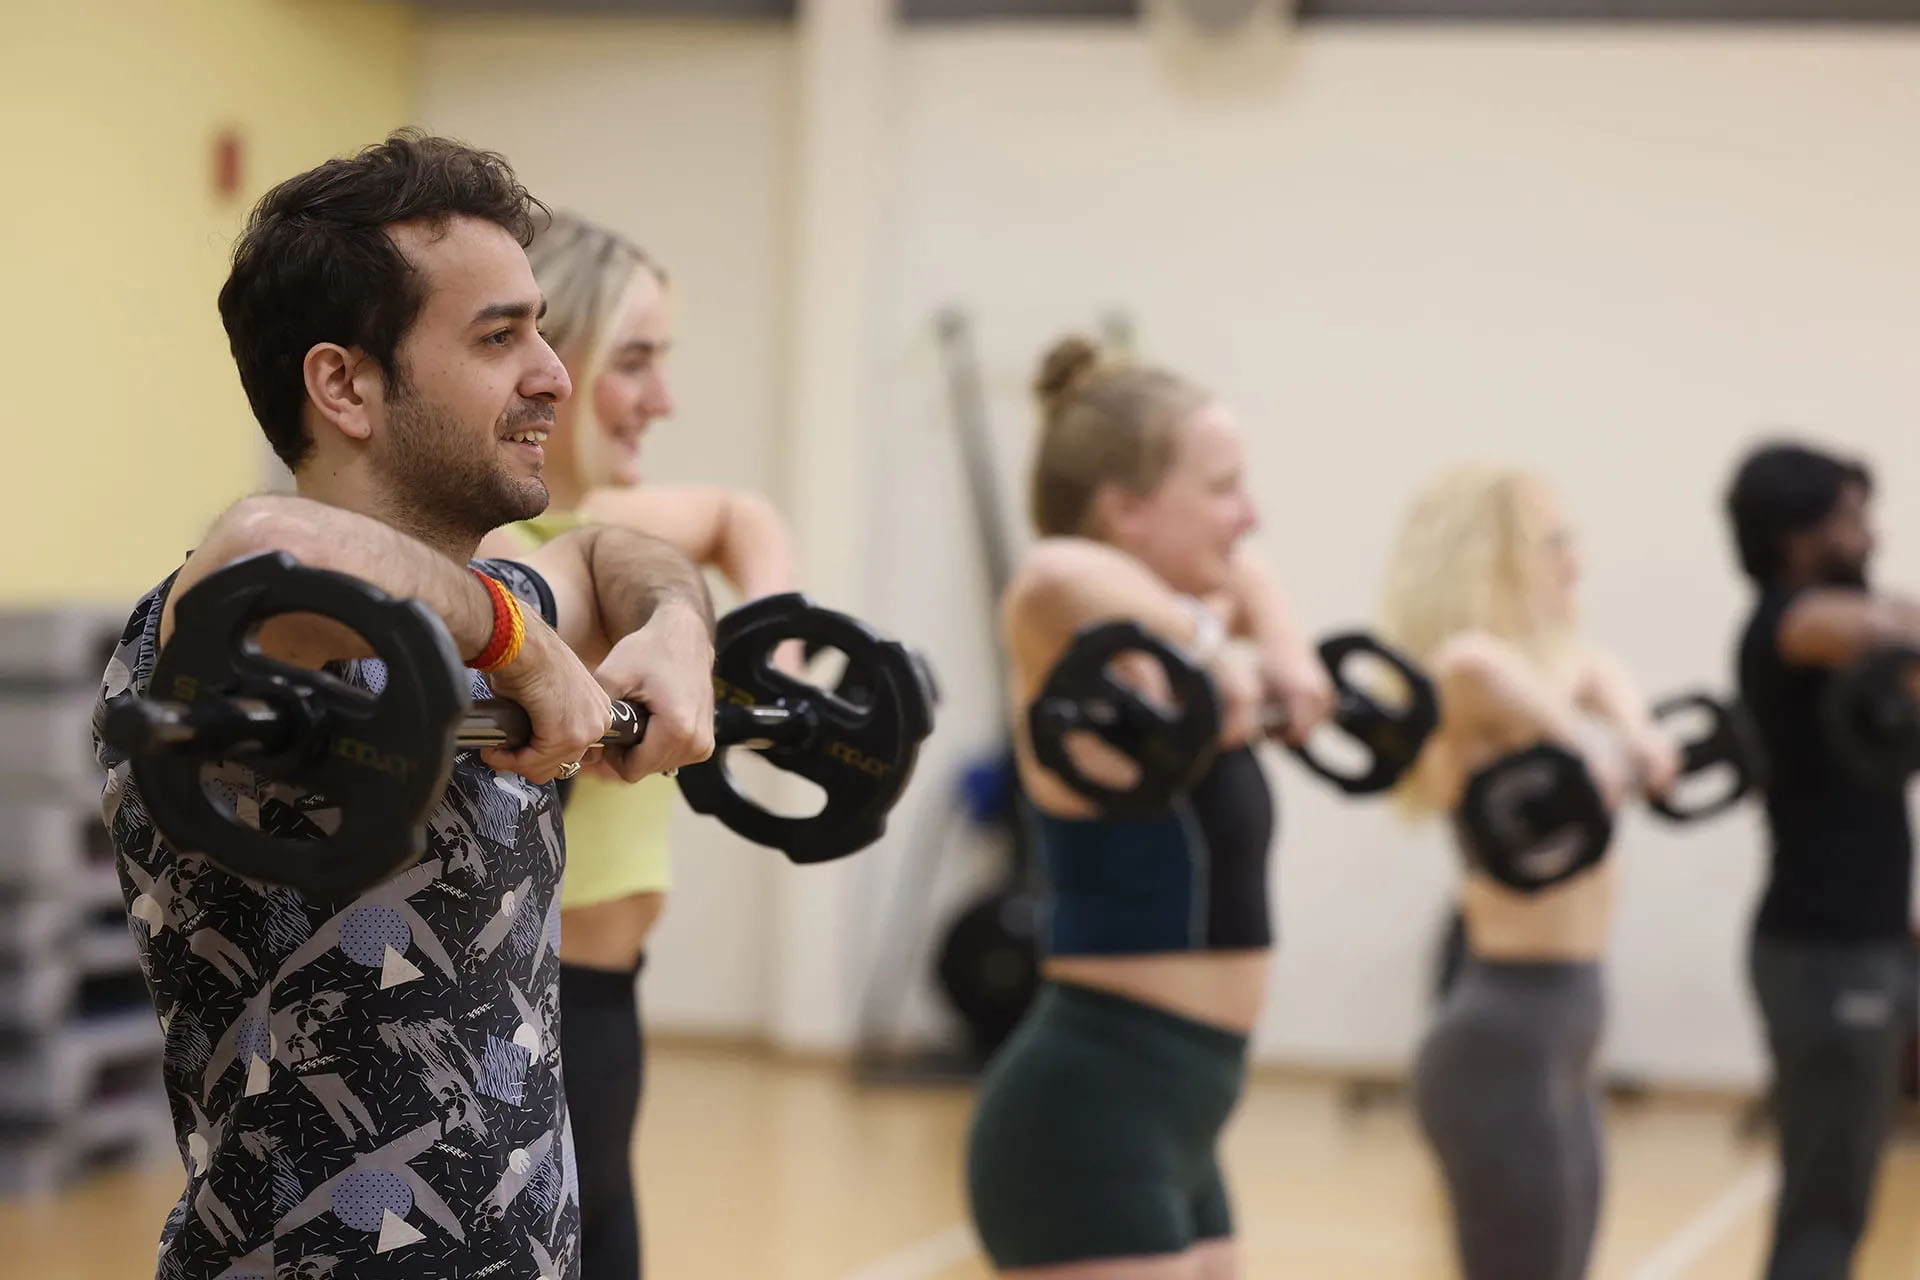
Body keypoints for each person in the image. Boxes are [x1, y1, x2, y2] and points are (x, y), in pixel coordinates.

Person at [90, 131, 718, 1280]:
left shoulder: (510, 592)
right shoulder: (234, 641)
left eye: (539, 325)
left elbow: (614, 549)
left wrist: (675, 629)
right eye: (498, 337)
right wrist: (518, 643)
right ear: (344, 384)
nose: (554, 374)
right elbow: (269, 546)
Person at [964, 336, 1334, 1280]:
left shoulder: (1181, 639)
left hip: (1189, 1119)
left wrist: (1284, 653)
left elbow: (1252, 577)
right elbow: (1052, 571)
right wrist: (1217, 652)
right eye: (1221, 489)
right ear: (1126, 510)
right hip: (1088, 1115)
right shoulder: (1061, 632)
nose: (1247, 516)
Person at [475, 210, 797, 1280]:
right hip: (525, 1019)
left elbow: (742, 513)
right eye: (637, 361)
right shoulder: (503, 564)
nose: (662, 398)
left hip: (605, 1011)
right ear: (546, 363)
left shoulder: (595, 526)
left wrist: (776, 642)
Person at [1375, 465, 1681, 1280]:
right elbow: (1479, 664)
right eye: (1553, 543)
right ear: (1490, 560)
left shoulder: (1553, 676)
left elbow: (1594, 669)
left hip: (1569, 1027)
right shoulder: (1465, 683)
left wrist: (1636, 731)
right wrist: (1593, 745)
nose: (1573, 558)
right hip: (1503, 1032)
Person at [1723, 441, 1917, 1280]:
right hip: (1822, 953)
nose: (1869, 536)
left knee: (1843, 1200)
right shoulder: (1786, 625)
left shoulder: (1865, 657)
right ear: (1793, 535)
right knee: (1823, 1212)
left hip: (1868, 944)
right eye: (1848, 517)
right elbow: (1870, 623)